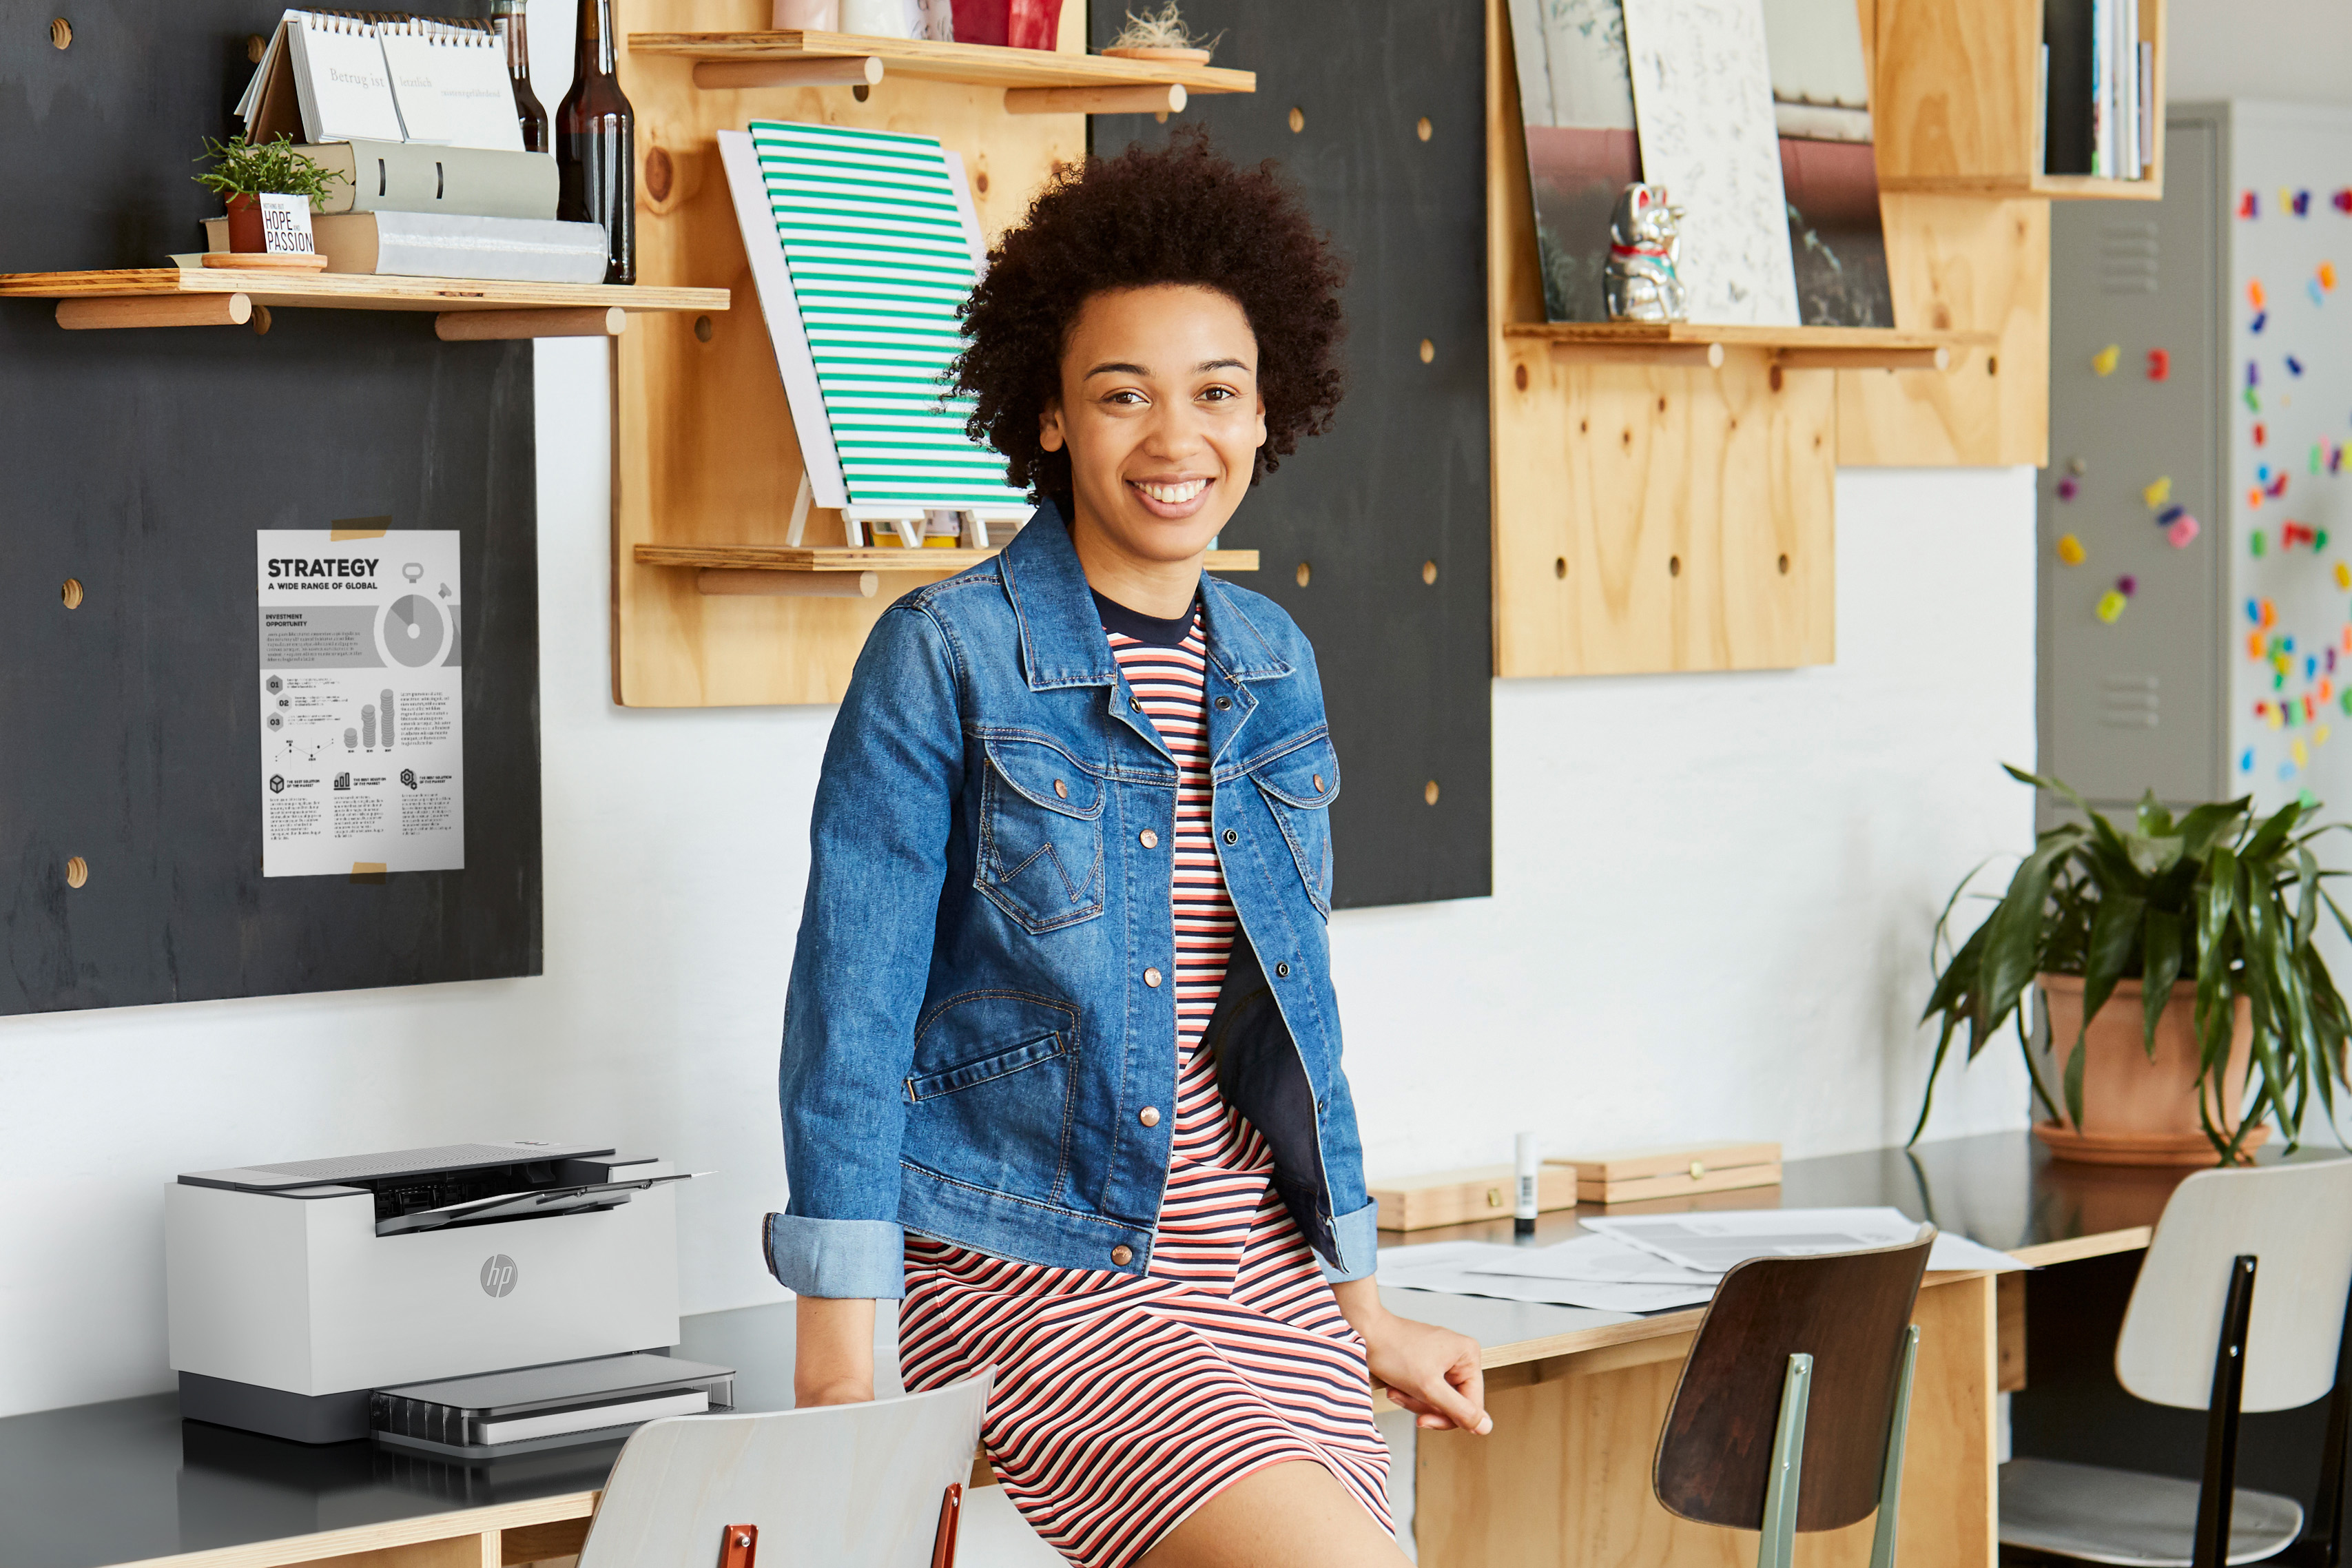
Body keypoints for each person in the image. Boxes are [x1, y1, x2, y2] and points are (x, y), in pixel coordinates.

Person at [768, 130, 1489, 1568]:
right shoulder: (944, 658)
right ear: (1048, 414)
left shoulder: (1273, 662)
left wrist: (1358, 1298)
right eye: (1122, 395)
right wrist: (840, 1367)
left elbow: (1294, 1025)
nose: (1177, 440)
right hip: (1039, 1274)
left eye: (1217, 392)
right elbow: (848, 1025)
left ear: (1266, 409)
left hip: (1261, 1280)